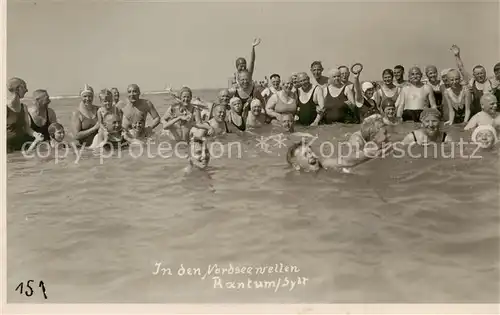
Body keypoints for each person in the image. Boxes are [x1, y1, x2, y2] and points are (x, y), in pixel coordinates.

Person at [286, 114, 391, 172]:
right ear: (296, 166)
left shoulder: (325, 164)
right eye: (305, 154)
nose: (312, 155)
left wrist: (370, 153)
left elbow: (346, 161)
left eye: (310, 152)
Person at [451, 45, 494, 116]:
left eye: (482, 73)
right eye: (478, 74)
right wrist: (457, 56)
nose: (480, 75)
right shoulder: (471, 81)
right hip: (474, 113)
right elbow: (461, 68)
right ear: (474, 75)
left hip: (488, 113)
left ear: (485, 73)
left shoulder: (491, 82)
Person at [6, 77, 43, 152]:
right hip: (7, 149)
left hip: (21, 146)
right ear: (17, 89)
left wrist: (36, 135)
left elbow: (27, 128)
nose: (27, 90)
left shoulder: (24, 107)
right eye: (24, 87)